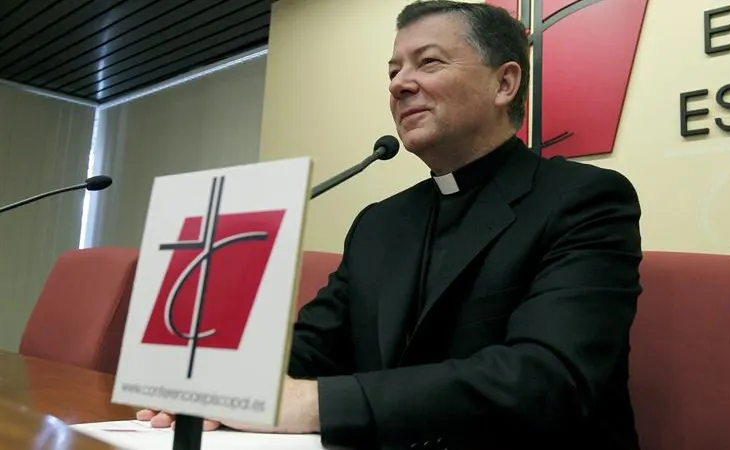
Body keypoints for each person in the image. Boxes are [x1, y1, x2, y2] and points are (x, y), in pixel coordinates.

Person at [137, 1, 643, 449]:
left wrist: (313, 406)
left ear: (504, 83)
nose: (399, 84)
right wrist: (221, 391)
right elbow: (316, 346)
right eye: (394, 70)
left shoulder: (584, 199)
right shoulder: (379, 222)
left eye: (429, 62)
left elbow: (545, 378)